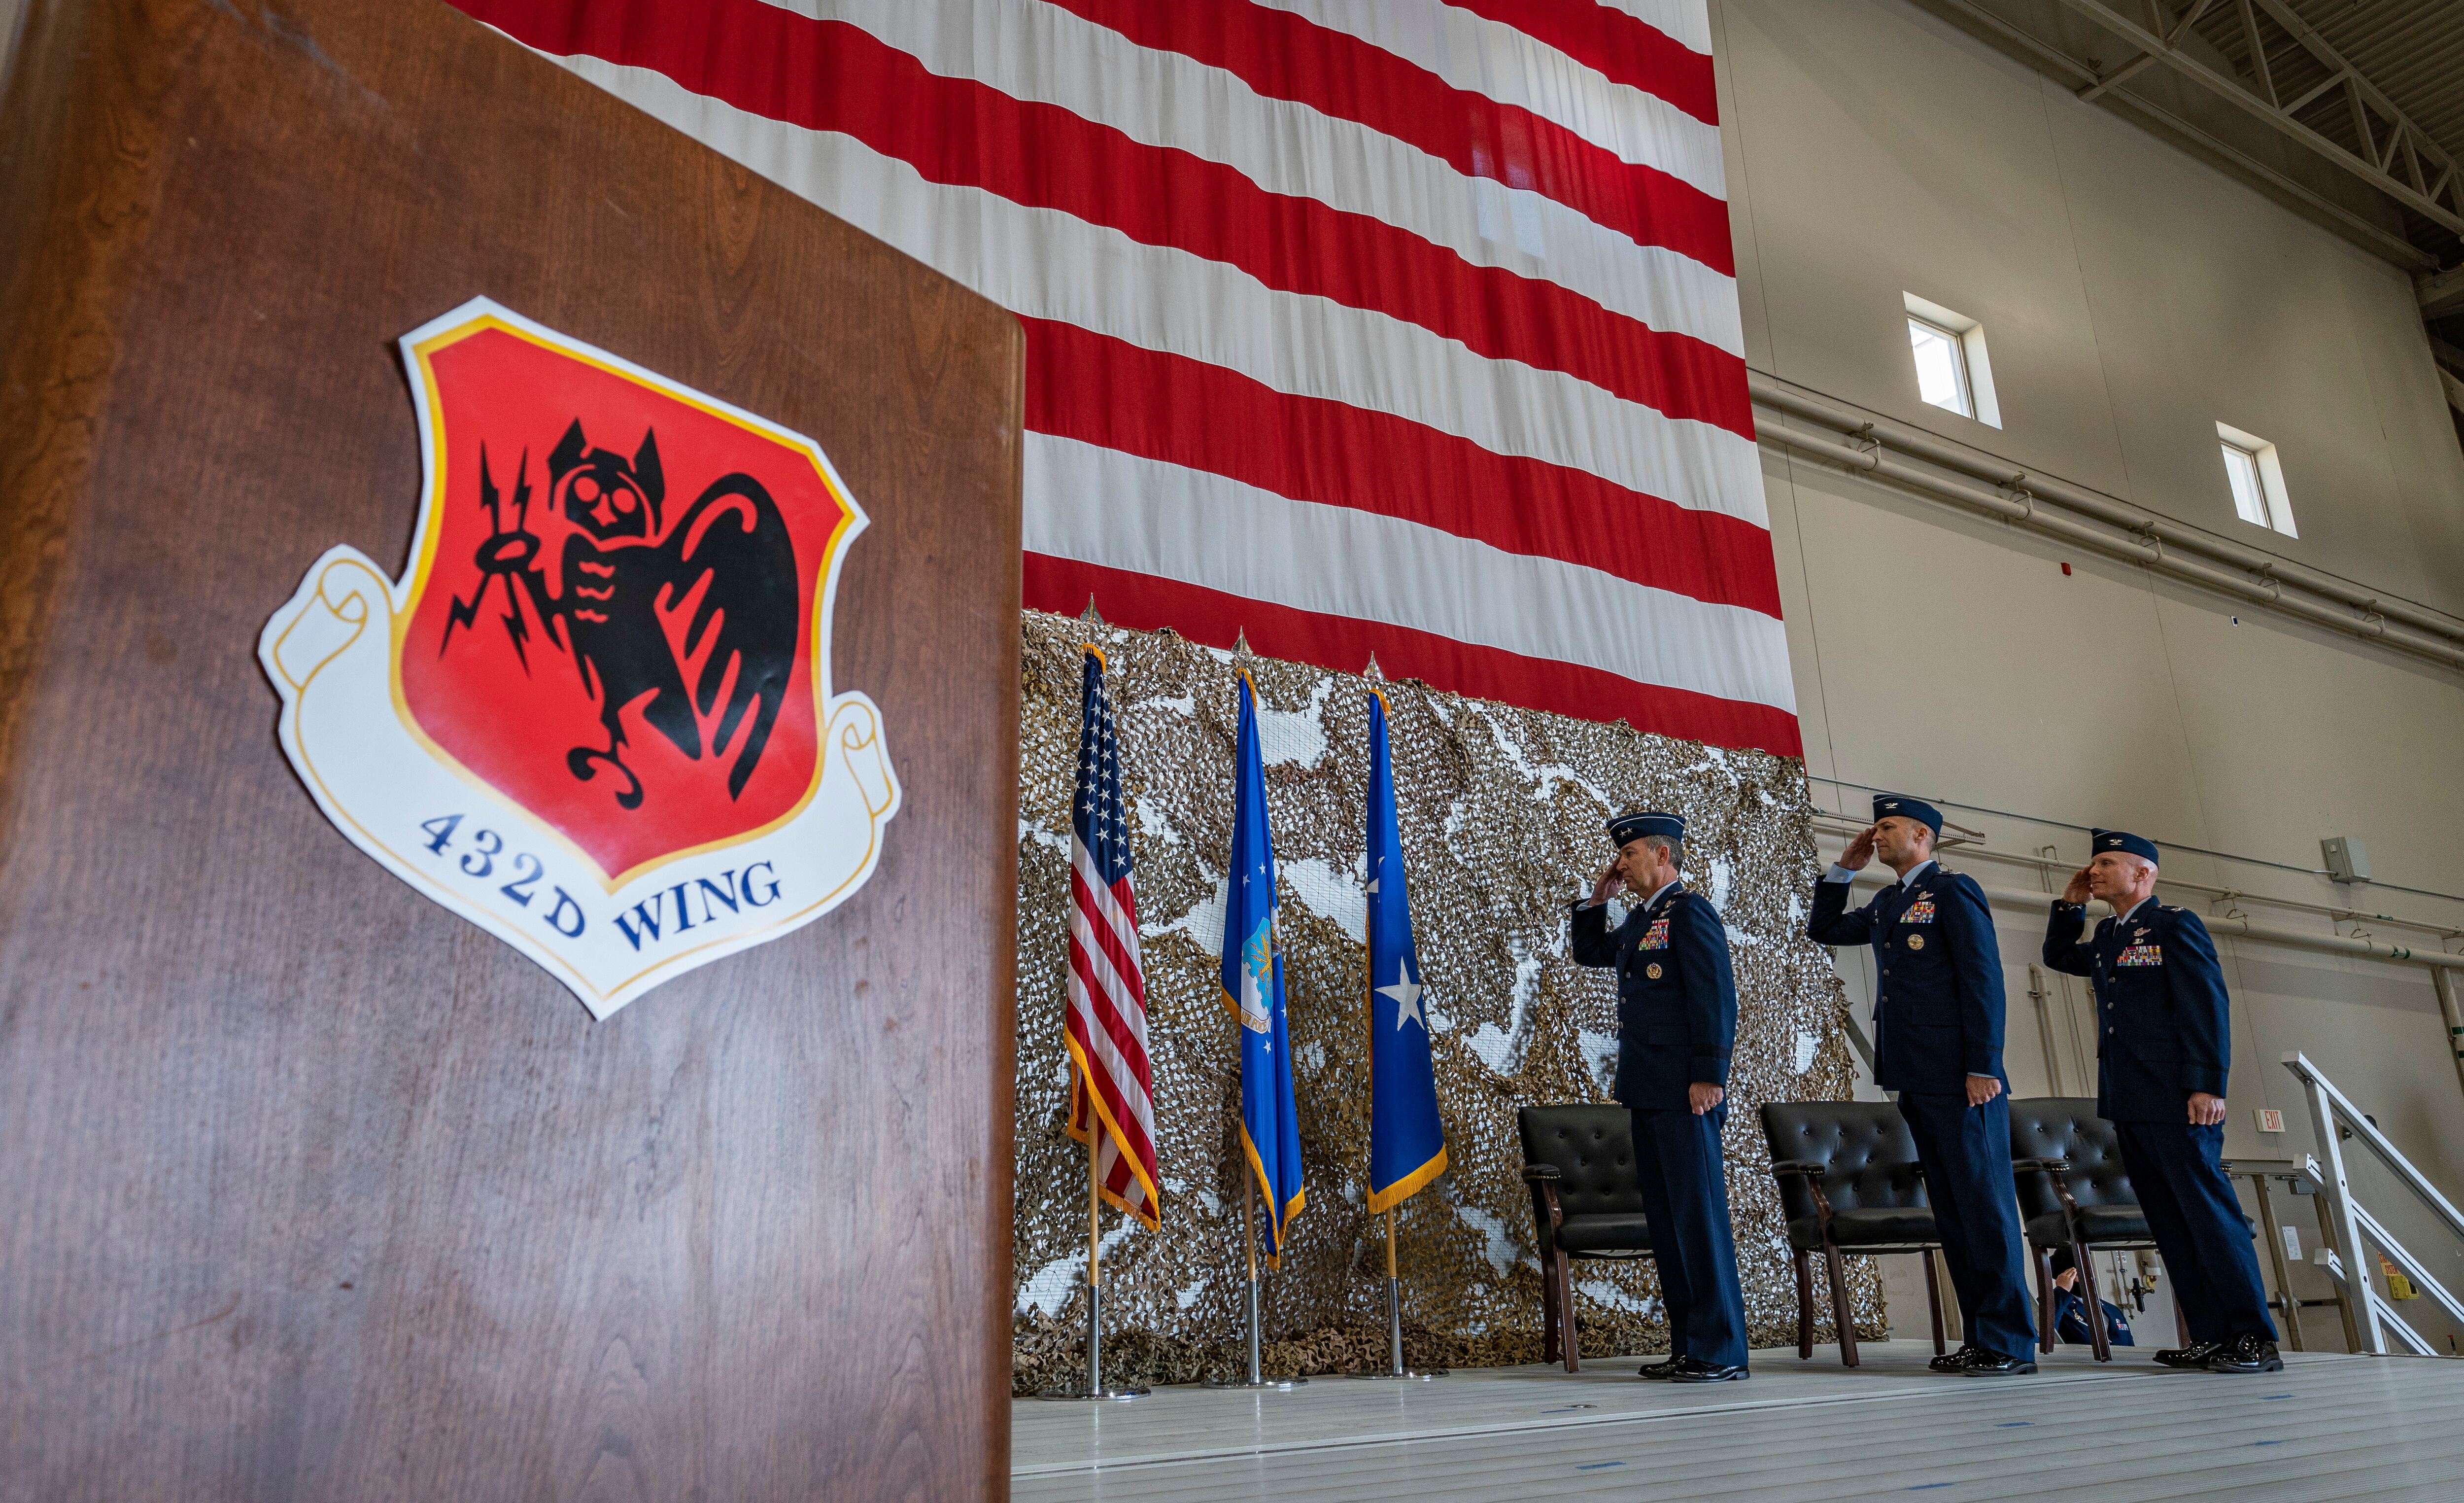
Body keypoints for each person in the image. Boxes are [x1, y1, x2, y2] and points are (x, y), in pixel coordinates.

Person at [1807, 795, 2038, 1376]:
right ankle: (1983, 1337)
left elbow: (1982, 978)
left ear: (1922, 837)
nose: (1876, 834)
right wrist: (1843, 869)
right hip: (1914, 1074)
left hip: (1963, 1078)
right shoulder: (1889, 900)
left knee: (1982, 1206)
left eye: (1887, 827)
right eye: (1876, 827)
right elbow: (1825, 927)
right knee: (1955, 1212)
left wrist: (1983, 1064)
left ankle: (2010, 1340)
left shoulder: (1953, 891)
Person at [2043, 829, 2282, 1374]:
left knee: (2209, 1216)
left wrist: (2207, 1085)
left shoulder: (2174, 925)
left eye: (2106, 862)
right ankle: (2211, 1335)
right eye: (2093, 862)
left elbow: (2205, 1004)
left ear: (2143, 873)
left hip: (2179, 1097)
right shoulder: (2106, 933)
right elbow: (2058, 956)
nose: (2094, 870)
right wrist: (2069, 905)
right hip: (2128, 1100)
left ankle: (2252, 1337)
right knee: (2170, 1223)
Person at [1568, 811, 1749, 1383]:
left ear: (1660, 855)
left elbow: (1715, 994)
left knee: (1697, 1217)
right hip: (1646, 1089)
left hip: (1684, 1089)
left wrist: (1708, 1073)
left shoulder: (1688, 911)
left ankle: (1720, 1348)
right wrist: (1596, 899)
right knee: (1669, 1221)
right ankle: (1690, 1346)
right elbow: (1591, 952)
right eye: (1617, 856)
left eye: (1628, 854)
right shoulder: (1643, 919)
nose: (1619, 863)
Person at [2048, 1247, 2134, 1348]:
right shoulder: (2057, 1307)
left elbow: (2131, 1347)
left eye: (2089, 1271)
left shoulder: (2112, 1310)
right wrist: (2061, 1291)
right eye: (2079, 1273)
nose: (2088, 1277)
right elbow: (2045, 1336)